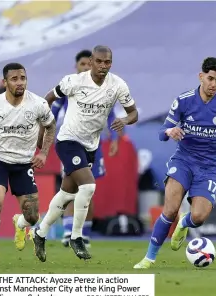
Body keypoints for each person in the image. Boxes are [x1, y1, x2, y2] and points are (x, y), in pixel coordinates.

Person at [134, 57, 216, 269]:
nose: (213, 84)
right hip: (183, 161)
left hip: (209, 167)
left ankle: (185, 223)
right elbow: (161, 133)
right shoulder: (184, 101)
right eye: (210, 78)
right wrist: (169, 130)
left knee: (199, 217)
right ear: (201, 76)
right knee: (170, 209)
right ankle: (149, 258)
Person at [31, 45, 138, 262]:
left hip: (91, 146)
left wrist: (124, 120)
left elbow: (133, 112)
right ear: (91, 61)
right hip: (68, 140)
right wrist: (43, 130)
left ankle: (40, 232)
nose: (103, 66)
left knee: (67, 194)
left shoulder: (117, 85)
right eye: (99, 61)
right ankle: (77, 237)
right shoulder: (74, 81)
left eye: (107, 62)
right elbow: (48, 99)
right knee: (88, 186)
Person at [0, 63, 56, 266]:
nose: (20, 82)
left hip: (24, 164)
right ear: (5, 82)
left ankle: (19, 223)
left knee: (32, 217)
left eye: (22, 78)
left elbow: (50, 126)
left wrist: (44, 153)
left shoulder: (38, 104)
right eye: (14, 79)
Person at [50, 50, 119, 248]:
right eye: (82, 64)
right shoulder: (71, 85)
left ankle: (84, 234)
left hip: (94, 145)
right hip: (71, 142)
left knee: (89, 190)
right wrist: (46, 133)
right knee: (71, 188)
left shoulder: (105, 88)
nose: (86, 68)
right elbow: (54, 109)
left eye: (89, 65)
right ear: (77, 67)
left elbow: (111, 116)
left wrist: (113, 138)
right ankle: (69, 232)